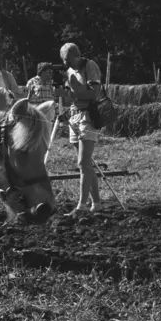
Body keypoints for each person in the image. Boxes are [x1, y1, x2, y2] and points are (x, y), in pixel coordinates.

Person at [61, 42, 102, 215]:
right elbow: (71, 96)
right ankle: (97, 203)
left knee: (83, 163)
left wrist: (74, 88)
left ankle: (81, 206)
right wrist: (63, 96)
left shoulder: (90, 66)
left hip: (88, 116)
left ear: (74, 56)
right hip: (75, 115)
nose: (65, 63)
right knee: (86, 164)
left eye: (66, 59)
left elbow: (93, 92)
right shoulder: (70, 72)